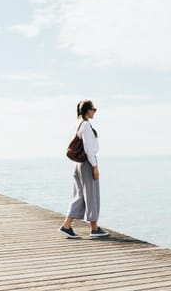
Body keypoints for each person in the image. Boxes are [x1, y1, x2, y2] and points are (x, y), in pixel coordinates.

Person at [59, 100, 109, 238]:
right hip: (87, 162)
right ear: (87, 110)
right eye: (94, 109)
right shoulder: (86, 125)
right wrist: (95, 167)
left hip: (77, 164)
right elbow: (88, 149)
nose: (94, 112)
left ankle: (66, 225)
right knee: (91, 195)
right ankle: (94, 228)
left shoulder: (74, 125)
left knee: (79, 195)